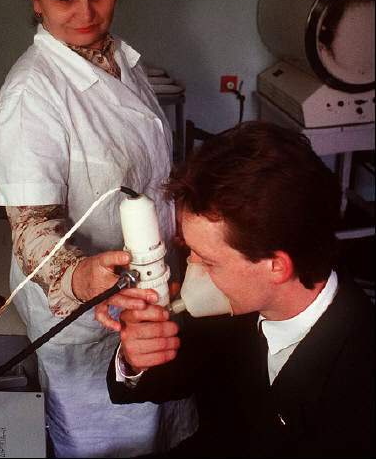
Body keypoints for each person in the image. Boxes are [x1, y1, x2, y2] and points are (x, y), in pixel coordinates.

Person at [0, 0, 197, 458]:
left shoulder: (118, 61)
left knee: (159, 424)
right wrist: (81, 278)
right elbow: (30, 227)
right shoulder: (33, 93)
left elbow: (152, 174)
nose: (86, 14)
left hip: (152, 289)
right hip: (88, 319)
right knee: (110, 442)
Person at [105, 121, 375, 459]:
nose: (192, 271)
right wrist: (135, 359)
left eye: (208, 261)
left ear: (276, 265)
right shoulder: (233, 304)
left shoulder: (360, 377)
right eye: (191, 251)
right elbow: (168, 378)